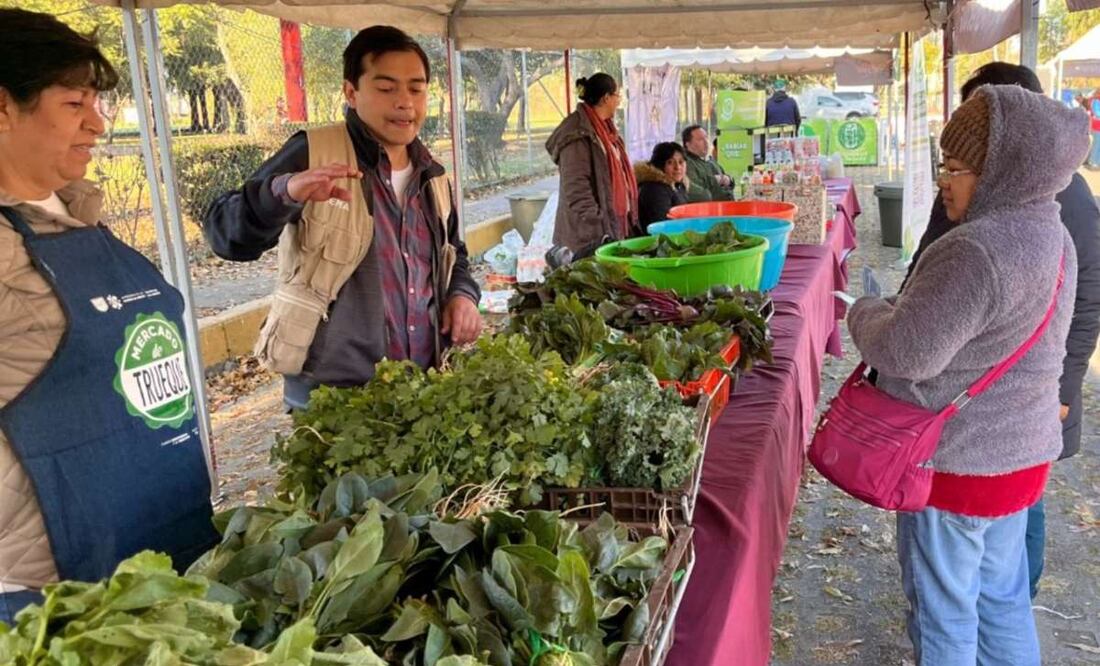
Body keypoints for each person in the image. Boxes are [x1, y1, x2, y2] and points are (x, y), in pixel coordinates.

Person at [848, 85, 1089, 665]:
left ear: (1002, 171)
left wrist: (864, 311)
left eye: (956, 168)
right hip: (1020, 460)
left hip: (960, 465)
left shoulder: (978, 248)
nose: (944, 181)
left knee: (945, 614)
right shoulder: (1054, 235)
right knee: (1003, 602)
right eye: (944, 165)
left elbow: (907, 351)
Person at [0, 9, 218, 622]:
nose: (98, 123)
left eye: (95, 102)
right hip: (65, 590)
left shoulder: (75, 214)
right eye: (74, 104)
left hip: (165, 542)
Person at [204, 26, 482, 411]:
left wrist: (462, 295)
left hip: (421, 390)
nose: (405, 103)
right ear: (351, 92)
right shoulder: (315, 152)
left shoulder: (431, 174)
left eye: (416, 89)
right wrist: (284, 193)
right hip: (334, 401)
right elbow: (225, 235)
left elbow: (456, 254)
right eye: (386, 88)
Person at [902, 62, 1100, 600]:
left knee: (962, 595)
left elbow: (1085, 300)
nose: (947, 177)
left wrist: (1064, 386)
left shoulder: (1047, 210)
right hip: (992, 421)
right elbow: (927, 261)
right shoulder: (994, 202)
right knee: (997, 588)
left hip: (992, 428)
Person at [546, 73, 639, 253]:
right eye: (617, 95)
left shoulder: (606, 129)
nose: (619, 101)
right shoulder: (576, 133)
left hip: (608, 226)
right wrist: (597, 224)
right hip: (587, 235)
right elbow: (576, 187)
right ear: (606, 98)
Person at [635, 142, 690, 229]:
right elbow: (663, 226)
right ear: (659, 165)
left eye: (681, 162)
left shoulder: (678, 184)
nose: (677, 167)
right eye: (670, 162)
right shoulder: (654, 189)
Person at [681, 124, 733, 202]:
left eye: (706, 138)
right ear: (688, 144)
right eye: (700, 140)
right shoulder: (686, 163)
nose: (706, 142)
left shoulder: (711, 161)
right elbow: (698, 192)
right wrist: (716, 180)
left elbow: (726, 180)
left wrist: (729, 180)